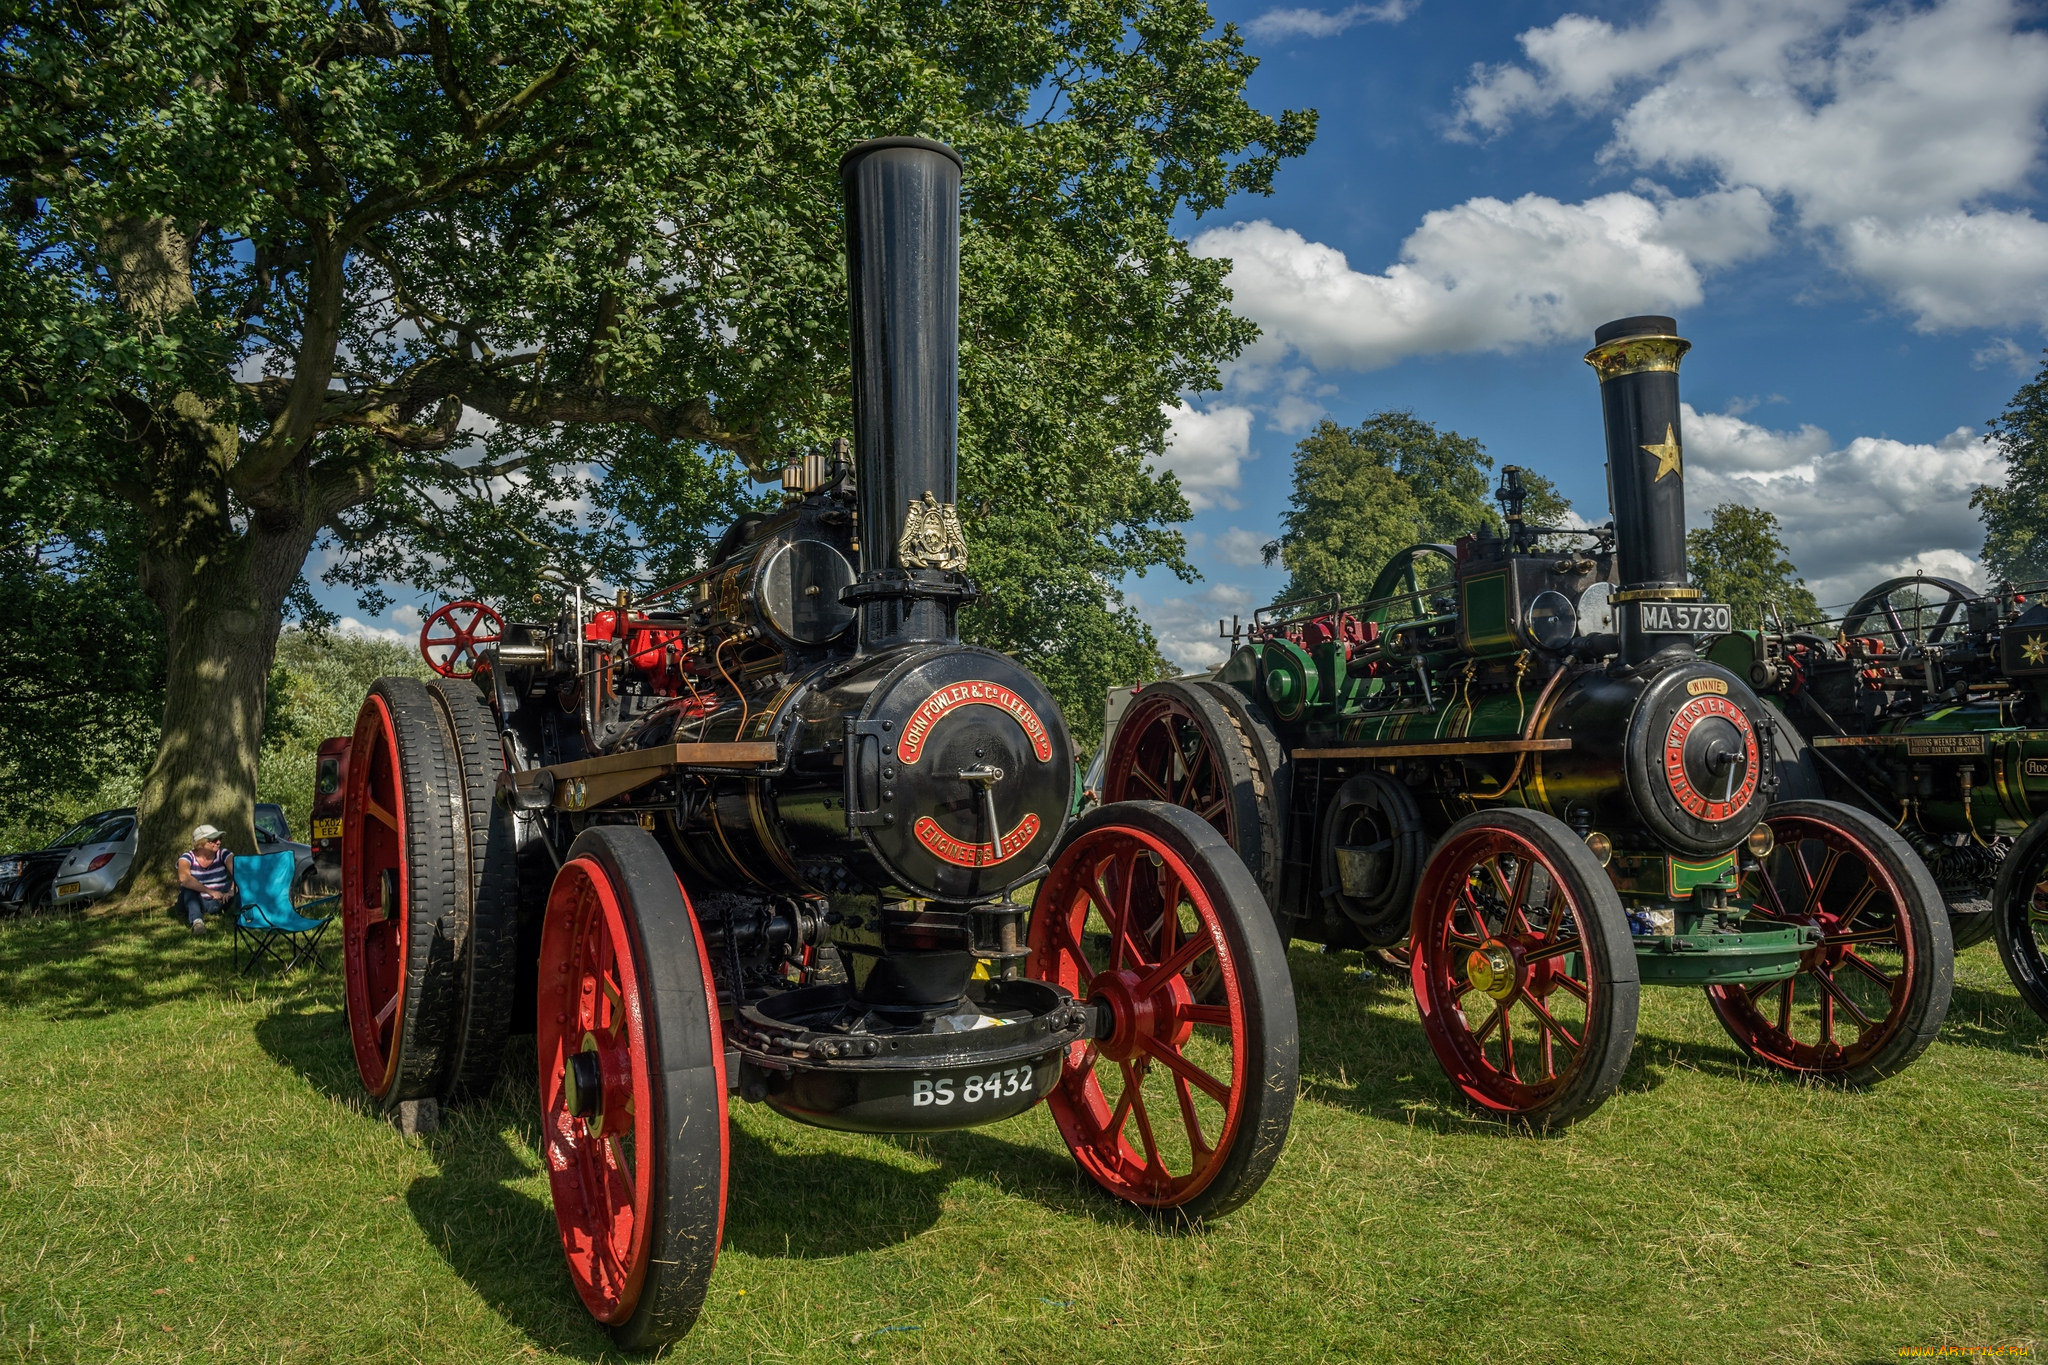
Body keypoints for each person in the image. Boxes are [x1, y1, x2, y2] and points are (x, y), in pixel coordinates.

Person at [176, 825, 238, 934]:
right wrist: (210, 891)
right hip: (196, 900)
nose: (218, 842)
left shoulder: (223, 854)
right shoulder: (187, 857)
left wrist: (232, 890)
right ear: (201, 843)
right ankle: (197, 922)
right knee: (188, 889)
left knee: (241, 884)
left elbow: (240, 872)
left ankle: (244, 915)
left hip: (221, 899)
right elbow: (184, 879)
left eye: (220, 839)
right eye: (213, 840)